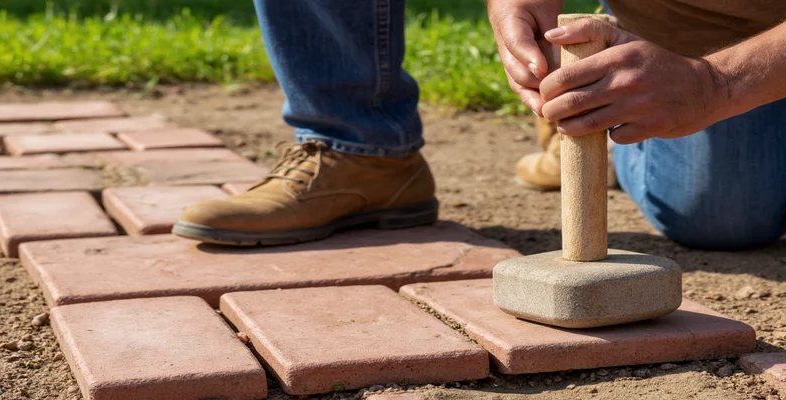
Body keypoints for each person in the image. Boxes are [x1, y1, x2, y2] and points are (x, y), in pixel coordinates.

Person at [172, 0, 786, 251]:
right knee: (726, 217)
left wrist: (720, 84)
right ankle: (357, 143)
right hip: (690, 18)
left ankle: (607, 98)